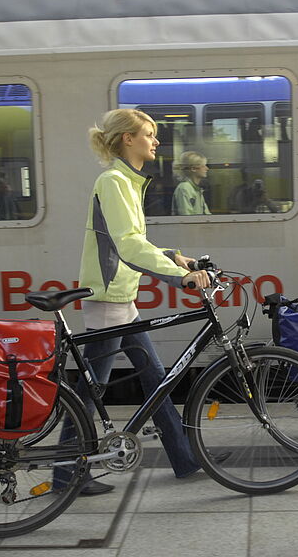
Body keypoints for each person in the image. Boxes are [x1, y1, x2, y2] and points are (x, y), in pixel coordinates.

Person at [55, 109, 214, 496]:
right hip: (109, 299)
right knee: (92, 390)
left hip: (121, 297)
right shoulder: (113, 181)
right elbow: (127, 245)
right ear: (128, 139)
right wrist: (180, 277)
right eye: (149, 133)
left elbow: (129, 241)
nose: (156, 141)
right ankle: (64, 474)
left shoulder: (127, 181)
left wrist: (175, 256)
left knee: (155, 381)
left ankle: (185, 459)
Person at [171, 151, 211, 215]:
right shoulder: (184, 188)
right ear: (193, 169)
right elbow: (186, 217)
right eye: (203, 166)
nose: (207, 169)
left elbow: (207, 214)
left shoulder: (197, 190)